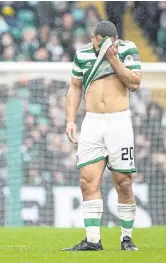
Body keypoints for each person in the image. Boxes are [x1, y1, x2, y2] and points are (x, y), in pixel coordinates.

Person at [63, 21, 142, 251]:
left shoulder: (127, 49)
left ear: (116, 39)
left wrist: (113, 58)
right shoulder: (82, 53)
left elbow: (135, 83)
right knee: (87, 180)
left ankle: (126, 238)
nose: (106, 45)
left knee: (123, 182)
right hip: (92, 122)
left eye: (111, 42)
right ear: (92, 37)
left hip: (119, 121)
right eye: (101, 42)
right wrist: (70, 119)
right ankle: (93, 240)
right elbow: (75, 86)